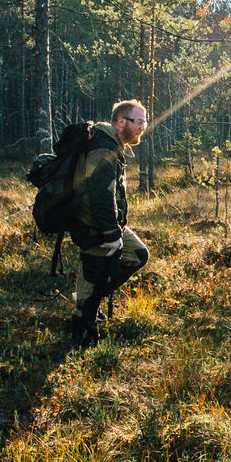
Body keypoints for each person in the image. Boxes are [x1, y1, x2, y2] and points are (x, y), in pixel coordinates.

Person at [68, 100, 150, 347]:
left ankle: (85, 301)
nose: (142, 128)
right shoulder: (103, 147)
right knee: (94, 277)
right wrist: (111, 234)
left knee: (137, 254)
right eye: (139, 123)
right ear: (121, 121)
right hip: (94, 226)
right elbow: (99, 195)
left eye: (145, 123)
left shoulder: (112, 145)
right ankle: (83, 338)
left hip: (106, 224)